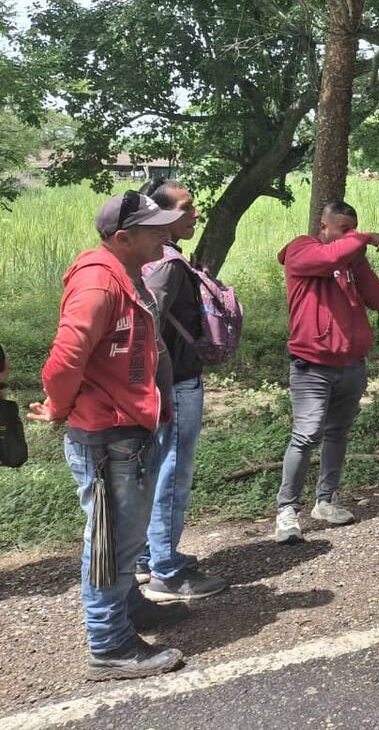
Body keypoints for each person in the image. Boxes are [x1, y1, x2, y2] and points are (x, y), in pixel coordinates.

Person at [28, 191, 185, 680]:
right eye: (155, 228)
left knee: (126, 538)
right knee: (112, 543)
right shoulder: (98, 283)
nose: (165, 233)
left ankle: (128, 608)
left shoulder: (127, 273)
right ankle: (108, 645)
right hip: (106, 436)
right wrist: (59, 405)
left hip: (129, 428)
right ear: (124, 237)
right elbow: (64, 360)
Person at [132, 179, 226, 601]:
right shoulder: (168, 265)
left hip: (166, 385)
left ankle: (151, 556)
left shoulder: (152, 261)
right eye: (187, 208)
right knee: (173, 472)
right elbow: (147, 325)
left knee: (158, 470)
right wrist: (162, 384)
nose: (196, 213)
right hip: (177, 385)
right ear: (163, 217)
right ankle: (166, 572)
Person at [274, 201, 379, 543]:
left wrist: (360, 258)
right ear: (324, 227)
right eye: (344, 229)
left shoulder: (351, 260)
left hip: (351, 364)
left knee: (338, 433)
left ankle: (325, 501)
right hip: (313, 366)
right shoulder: (301, 249)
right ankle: (286, 510)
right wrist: (364, 238)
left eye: (354, 228)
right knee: (307, 435)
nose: (351, 235)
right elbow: (326, 259)